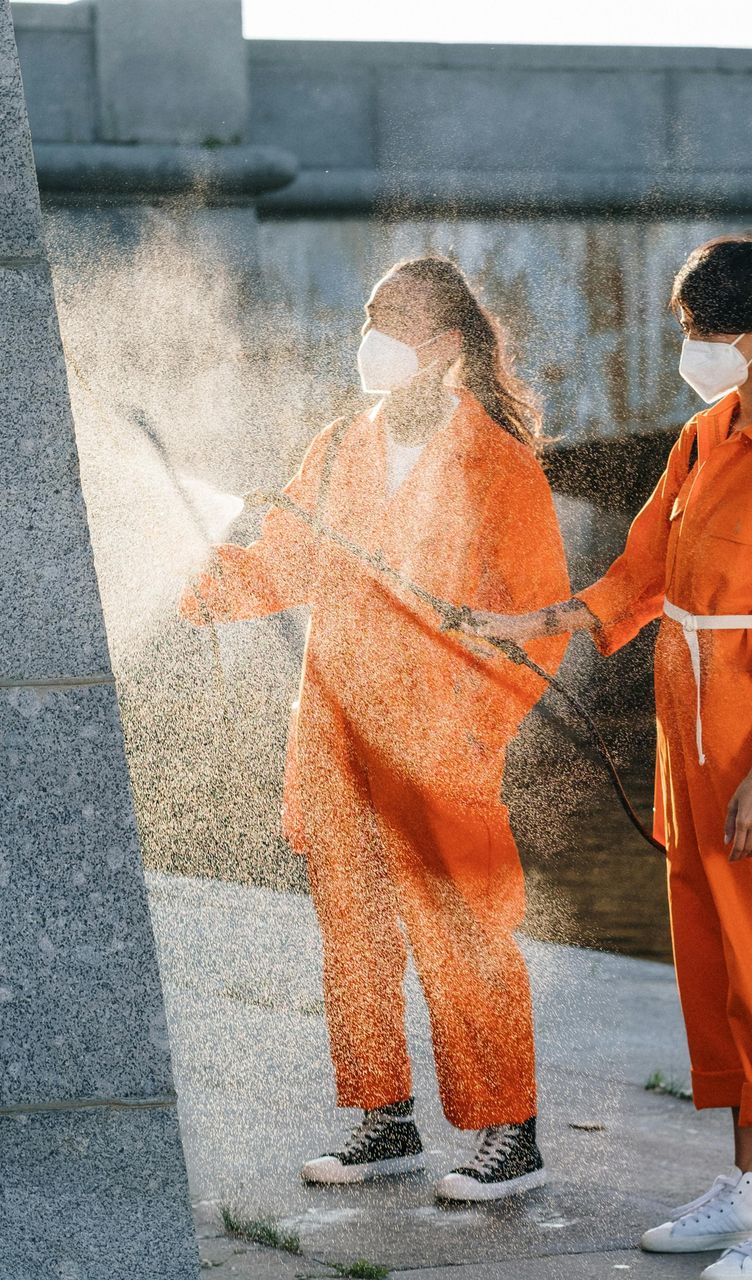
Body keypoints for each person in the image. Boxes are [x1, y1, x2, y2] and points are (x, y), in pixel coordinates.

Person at [469, 223, 752, 1275]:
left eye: (700, 329)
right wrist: (537, 620)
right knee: (717, 963)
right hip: (686, 750)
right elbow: (642, 572)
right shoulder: (702, 438)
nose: (688, 348)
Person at [179, 256, 571, 1202]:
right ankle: (383, 1119)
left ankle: (508, 1135)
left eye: (394, 326)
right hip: (336, 735)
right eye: (368, 321)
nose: (372, 343)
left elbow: (538, 623)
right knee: (352, 936)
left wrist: (474, 738)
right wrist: (195, 577)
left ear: (445, 346)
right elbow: (283, 565)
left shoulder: (498, 465)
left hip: (439, 746)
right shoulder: (339, 447)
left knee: (463, 933)